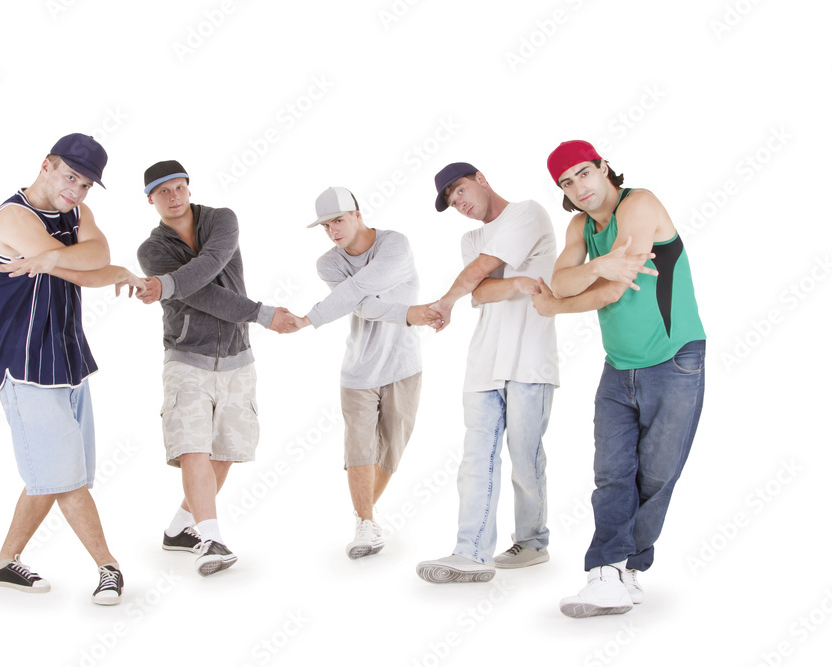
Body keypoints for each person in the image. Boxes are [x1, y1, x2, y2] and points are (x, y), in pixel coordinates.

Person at [534, 140, 705, 618]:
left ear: (603, 167)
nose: (578, 187)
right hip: (619, 366)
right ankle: (604, 571)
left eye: (583, 173)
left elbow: (611, 288)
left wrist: (559, 302)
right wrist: (593, 267)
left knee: (656, 475)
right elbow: (563, 279)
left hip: (674, 360)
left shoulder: (640, 203)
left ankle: (630, 567)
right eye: (566, 183)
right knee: (611, 473)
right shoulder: (579, 226)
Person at [0, 133, 143, 605]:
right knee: (67, 477)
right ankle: (109, 566)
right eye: (70, 176)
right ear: (47, 165)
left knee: (57, 473)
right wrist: (105, 270)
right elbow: (90, 269)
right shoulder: (13, 216)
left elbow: (95, 253)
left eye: (87, 185)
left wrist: (57, 257)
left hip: (68, 358)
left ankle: (3, 565)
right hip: (26, 362)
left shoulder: (76, 213)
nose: (76, 191)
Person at [137, 160, 297, 576]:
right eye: (162, 192)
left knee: (225, 452)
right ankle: (211, 538)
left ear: (188, 188)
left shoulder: (222, 221)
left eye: (178, 188)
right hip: (186, 356)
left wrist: (167, 285)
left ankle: (179, 530)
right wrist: (263, 313)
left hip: (238, 357)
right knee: (193, 447)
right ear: (150, 199)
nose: (173, 197)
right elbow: (202, 296)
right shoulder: (152, 251)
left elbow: (210, 263)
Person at [416, 162, 559, 583]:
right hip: (483, 364)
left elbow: (482, 270)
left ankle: (533, 542)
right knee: (476, 461)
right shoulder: (471, 238)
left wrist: (446, 302)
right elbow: (479, 288)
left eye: (459, 192)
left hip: (530, 359)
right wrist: (515, 285)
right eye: (450, 201)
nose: (458, 204)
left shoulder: (527, 213)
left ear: (480, 179)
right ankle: (472, 553)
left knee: (526, 460)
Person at [287, 187, 440, 558]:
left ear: (358, 214)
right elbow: (363, 306)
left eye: (338, 220)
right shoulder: (328, 264)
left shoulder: (394, 244)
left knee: (393, 448)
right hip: (358, 370)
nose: (333, 230)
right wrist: (406, 312)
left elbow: (360, 291)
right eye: (325, 225)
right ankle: (366, 523)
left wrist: (315, 315)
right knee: (359, 447)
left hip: (404, 364)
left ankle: (364, 512)